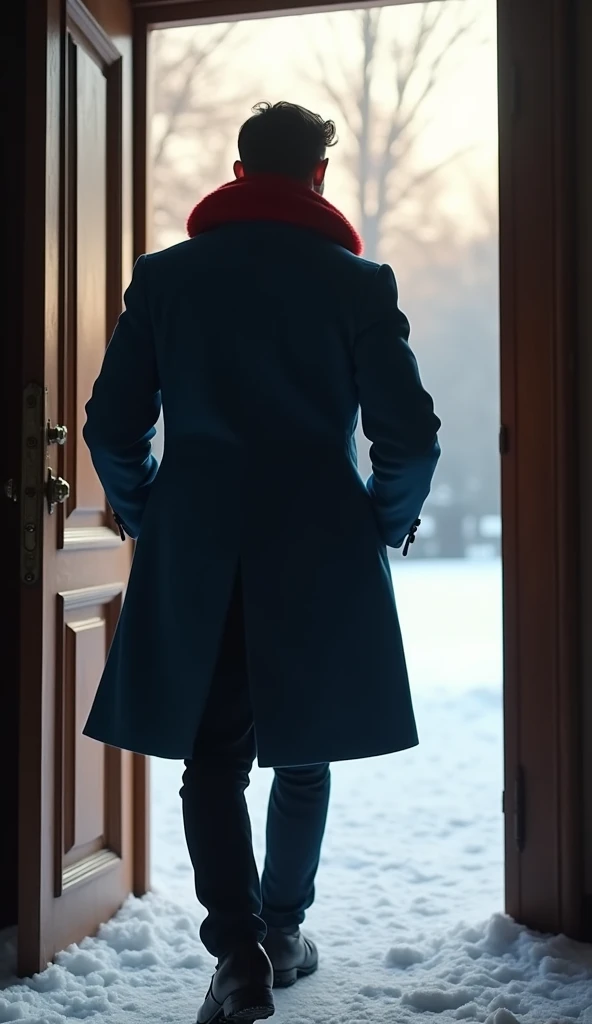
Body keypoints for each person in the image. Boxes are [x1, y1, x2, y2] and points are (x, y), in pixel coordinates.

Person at [83, 101, 441, 1024]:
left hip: (198, 542)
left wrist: (152, 509)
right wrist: (381, 520)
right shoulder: (358, 284)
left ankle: (237, 952)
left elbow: (112, 426)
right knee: (303, 752)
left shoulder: (165, 279)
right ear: (317, 177)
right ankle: (284, 930)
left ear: (239, 173)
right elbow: (410, 437)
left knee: (212, 760)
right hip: (319, 548)